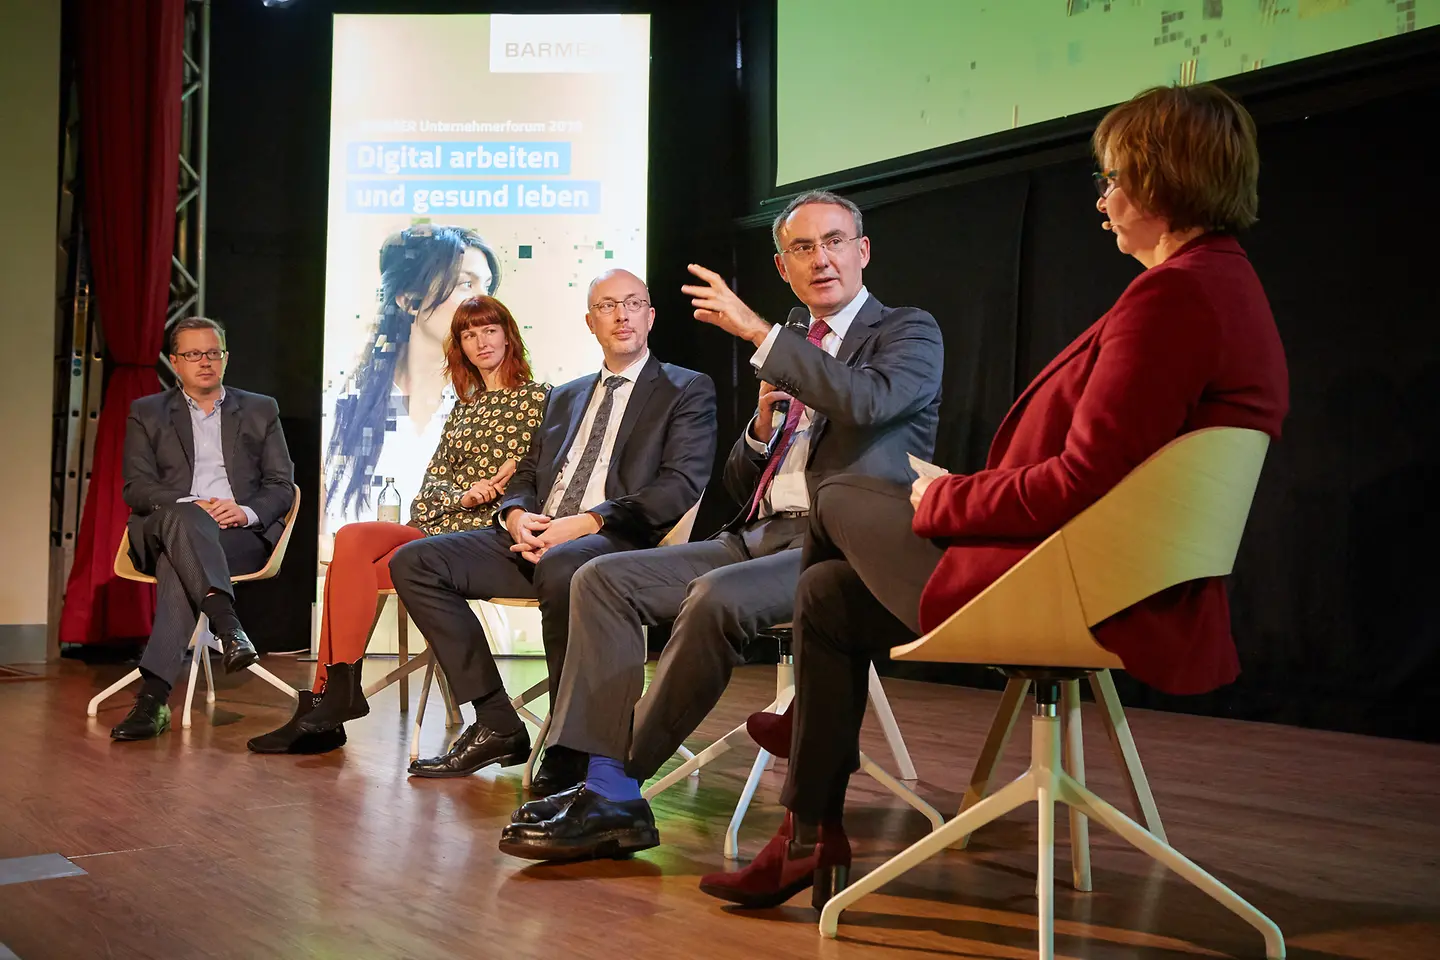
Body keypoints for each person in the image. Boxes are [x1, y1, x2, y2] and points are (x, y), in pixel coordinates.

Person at [698, 83, 1290, 909]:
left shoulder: (1177, 296)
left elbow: (1085, 482)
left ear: (1161, 182)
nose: (1104, 201)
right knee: (829, 595)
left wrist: (950, 501)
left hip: (1086, 584)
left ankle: (805, 762)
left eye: (1113, 180)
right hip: (1097, 566)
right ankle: (807, 834)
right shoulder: (1215, 283)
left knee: (836, 494)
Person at [498, 192, 945, 862]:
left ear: (863, 251)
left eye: (834, 241)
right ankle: (588, 773)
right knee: (600, 579)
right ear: (783, 265)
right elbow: (737, 485)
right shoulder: (797, 348)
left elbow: (868, 402)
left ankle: (617, 790)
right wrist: (761, 432)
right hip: (755, 535)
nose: (821, 258)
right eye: (802, 248)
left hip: (835, 549)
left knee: (713, 600)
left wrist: (760, 334)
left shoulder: (907, 332)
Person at [391, 269, 718, 783]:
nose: (621, 315)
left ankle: (573, 744)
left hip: (613, 541)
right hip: (537, 536)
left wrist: (585, 522)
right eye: (608, 306)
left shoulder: (685, 388)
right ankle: (497, 721)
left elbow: (680, 485)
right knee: (414, 560)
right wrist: (516, 515)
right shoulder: (565, 395)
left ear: (650, 316)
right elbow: (526, 473)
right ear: (591, 322)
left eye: (633, 303)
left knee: (566, 566)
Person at [248, 296, 549, 754]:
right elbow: (430, 489)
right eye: (469, 334)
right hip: (437, 520)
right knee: (351, 538)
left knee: (362, 572)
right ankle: (335, 695)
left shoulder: (542, 399)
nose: (481, 341)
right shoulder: (464, 408)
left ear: (508, 334)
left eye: (489, 330)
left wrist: (491, 497)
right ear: (461, 348)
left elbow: (541, 478)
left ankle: (327, 704)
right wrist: (461, 494)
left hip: (481, 536)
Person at [111, 317, 296, 742]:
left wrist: (245, 512)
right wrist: (195, 506)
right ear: (175, 362)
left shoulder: (259, 409)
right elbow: (137, 488)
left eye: (213, 353)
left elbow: (281, 486)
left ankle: (153, 700)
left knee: (182, 562)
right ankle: (228, 626)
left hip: (235, 536)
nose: (205, 362)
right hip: (164, 525)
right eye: (193, 354)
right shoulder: (147, 412)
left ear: (226, 358)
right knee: (185, 521)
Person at [324, 224, 501, 529]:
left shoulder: (494, 406)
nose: (483, 302)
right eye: (465, 285)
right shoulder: (344, 404)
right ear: (408, 299)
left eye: (487, 286)